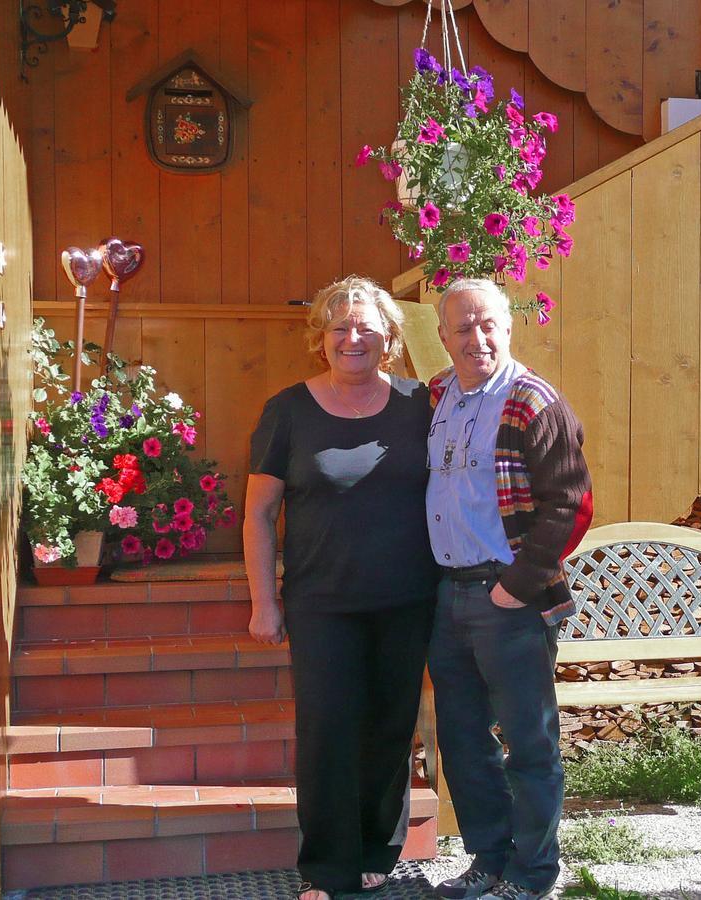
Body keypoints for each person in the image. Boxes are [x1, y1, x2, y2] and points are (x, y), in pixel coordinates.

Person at [244, 276, 439, 900]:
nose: (353, 338)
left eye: (366, 328)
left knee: (388, 727)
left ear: (389, 338)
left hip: (408, 599)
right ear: (321, 339)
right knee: (328, 731)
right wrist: (264, 601)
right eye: (340, 328)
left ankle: (378, 846)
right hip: (322, 603)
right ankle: (328, 869)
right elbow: (257, 513)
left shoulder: (422, 405)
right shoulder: (287, 410)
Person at [426, 278, 593, 900]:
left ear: (508, 326)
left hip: (508, 597)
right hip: (447, 597)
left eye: (487, 323)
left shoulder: (534, 402)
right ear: (443, 338)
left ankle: (532, 875)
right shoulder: (438, 395)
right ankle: (487, 863)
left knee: (528, 744)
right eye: (462, 328)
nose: (477, 338)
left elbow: (571, 505)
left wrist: (515, 588)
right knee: (465, 742)